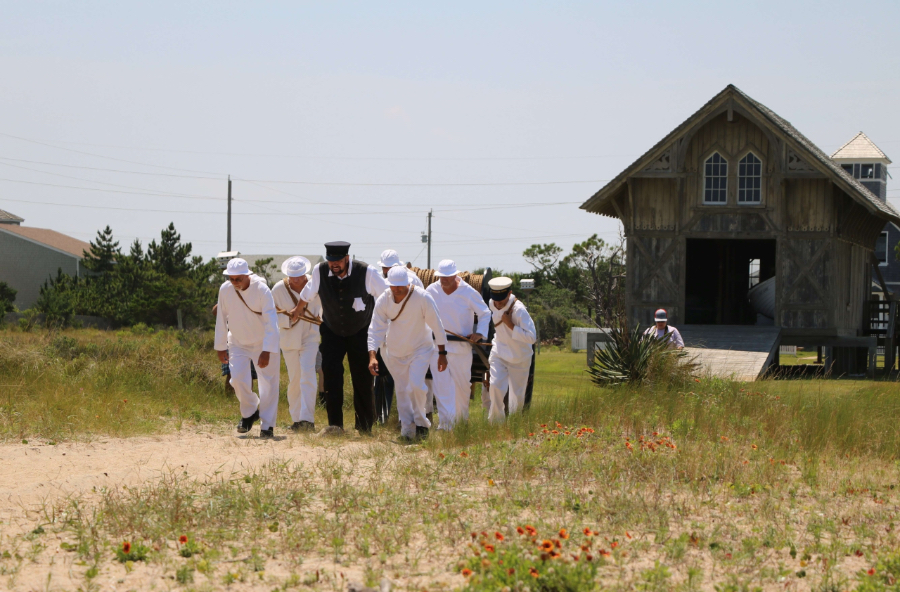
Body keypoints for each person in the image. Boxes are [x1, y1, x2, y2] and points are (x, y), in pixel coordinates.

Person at [289, 242, 388, 434]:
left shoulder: (367, 272)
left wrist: (383, 324)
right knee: (332, 378)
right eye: (331, 261)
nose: (334, 265)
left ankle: (365, 426)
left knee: (362, 379)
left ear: (347, 259)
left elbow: (385, 296)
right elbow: (307, 294)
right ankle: (335, 426)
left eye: (338, 261)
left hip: (361, 331)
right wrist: (297, 309)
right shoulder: (319, 271)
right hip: (332, 331)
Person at [367, 267, 449, 441]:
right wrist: (373, 356)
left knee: (416, 384)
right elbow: (375, 329)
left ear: (408, 284)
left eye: (400, 286)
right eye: (393, 286)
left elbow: (437, 326)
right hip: (395, 351)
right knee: (403, 390)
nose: (396, 290)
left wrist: (442, 353)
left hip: (420, 349)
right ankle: (407, 430)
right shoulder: (384, 300)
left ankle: (422, 424)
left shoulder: (422, 297)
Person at [214, 258, 281, 438]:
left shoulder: (262, 290)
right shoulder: (225, 290)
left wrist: (267, 350)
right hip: (237, 342)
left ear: (247, 275)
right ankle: (250, 412)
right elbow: (221, 318)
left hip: (262, 343)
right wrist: (220, 347)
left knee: (268, 384)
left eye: (238, 279)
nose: (235, 282)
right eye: (231, 278)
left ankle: (267, 425)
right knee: (237, 379)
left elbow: (271, 322)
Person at [426, 259, 490, 426]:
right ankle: (446, 424)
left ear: (455, 275)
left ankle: (461, 421)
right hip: (437, 348)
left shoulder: (468, 292)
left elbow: (485, 313)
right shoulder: (431, 290)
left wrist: (480, 333)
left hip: (461, 348)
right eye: (441, 277)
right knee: (441, 388)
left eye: (448, 276)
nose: (444, 280)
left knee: (462, 387)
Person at [272, 256, 323, 432]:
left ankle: (308, 420)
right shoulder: (278, 289)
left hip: (310, 336)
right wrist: (289, 320)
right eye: (293, 276)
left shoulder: (314, 285)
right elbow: (271, 315)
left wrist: (319, 319)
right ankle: (296, 419)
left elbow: (323, 309)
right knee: (294, 379)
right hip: (289, 338)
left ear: (305, 274)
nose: (296, 279)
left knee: (308, 375)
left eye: (299, 276)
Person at [487, 277, 536, 423]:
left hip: (519, 357)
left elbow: (532, 337)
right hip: (499, 352)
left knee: (517, 395)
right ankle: (495, 423)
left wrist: (511, 326)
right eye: (496, 299)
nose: (498, 303)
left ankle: (514, 425)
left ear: (509, 294)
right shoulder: (492, 303)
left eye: (501, 300)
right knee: (495, 385)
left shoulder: (519, 310)